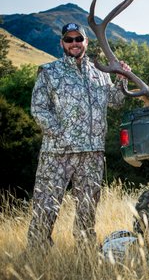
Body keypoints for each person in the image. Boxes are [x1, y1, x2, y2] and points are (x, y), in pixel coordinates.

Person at [28, 22, 130, 249]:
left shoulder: (101, 72)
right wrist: (61, 135)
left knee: (87, 207)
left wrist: (123, 78)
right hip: (57, 154)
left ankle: (85, 255)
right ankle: (36, 254)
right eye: (69, 39)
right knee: (46, 205)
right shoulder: (49, 72)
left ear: (86, 41)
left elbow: (114, 102)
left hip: (92, 153)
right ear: (62, 43)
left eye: (78, 39)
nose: (74, 43)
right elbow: (39, 109)